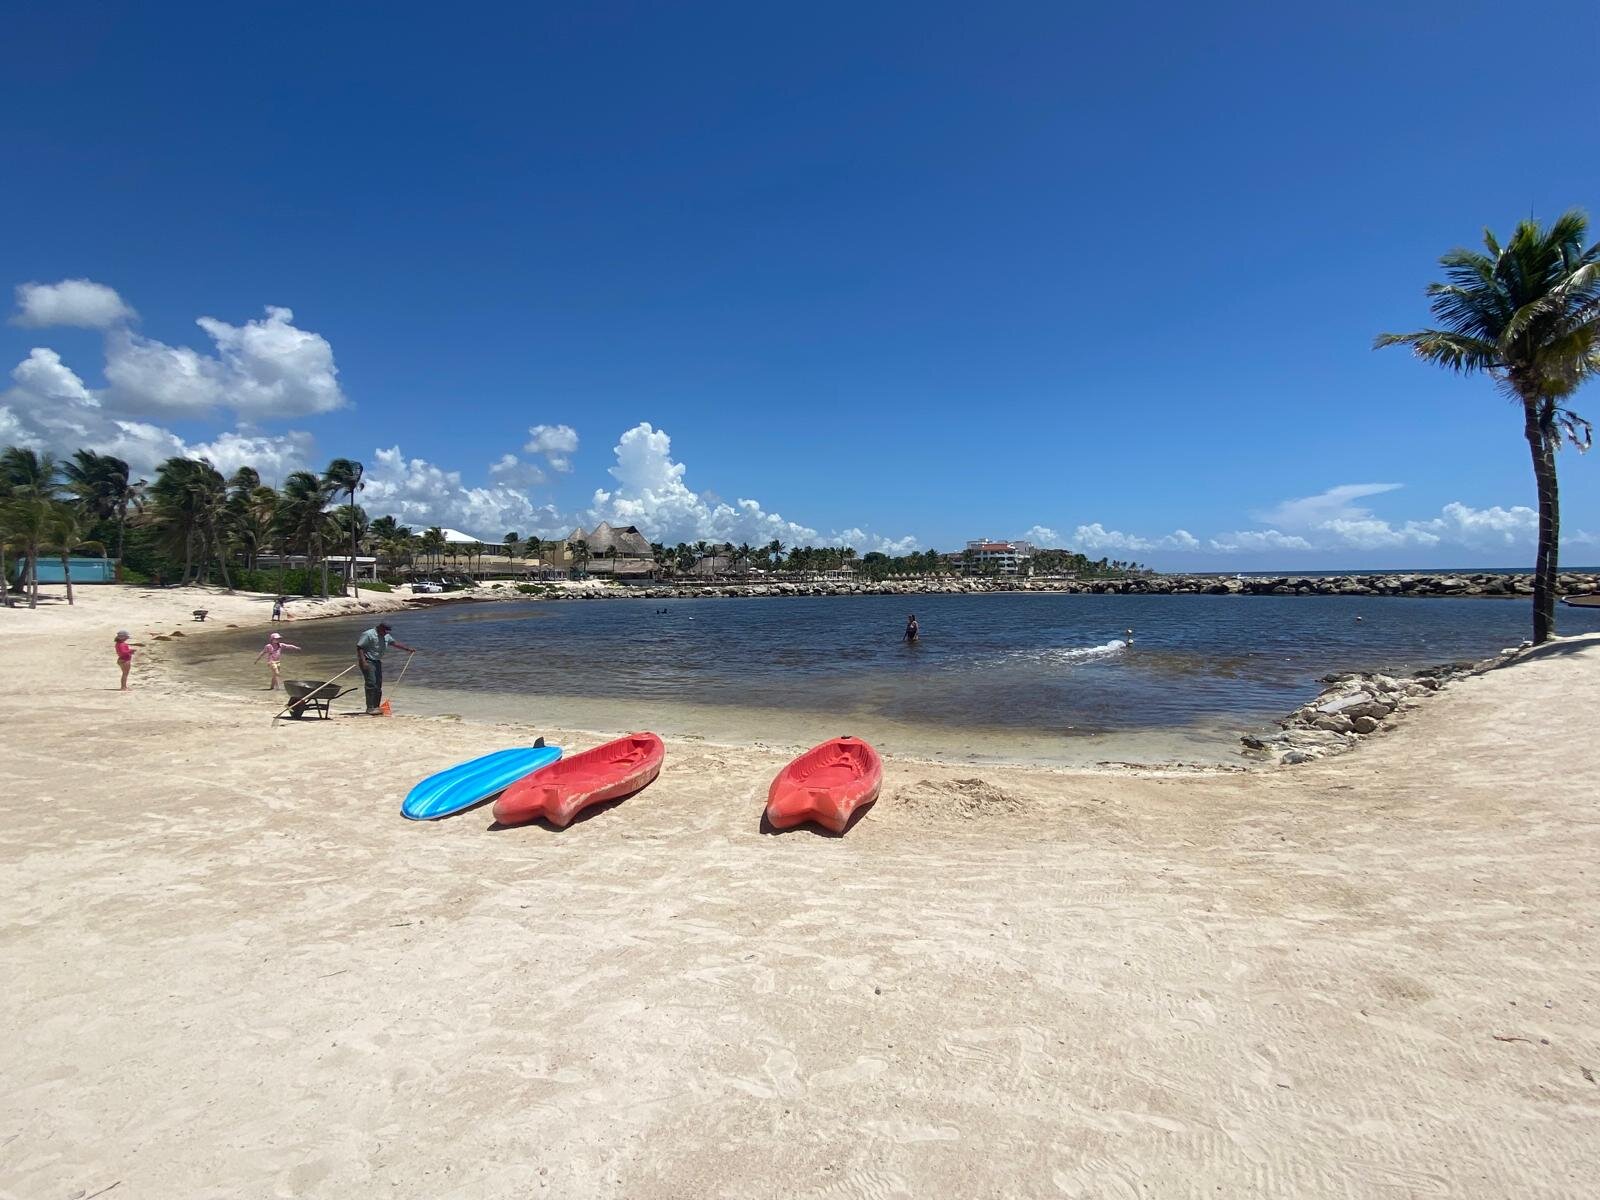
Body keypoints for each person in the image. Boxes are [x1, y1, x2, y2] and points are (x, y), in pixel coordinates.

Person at [356, 621, 418, 715]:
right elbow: (359, 647)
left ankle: (376, 707)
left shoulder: (386, 636)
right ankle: (370, 708)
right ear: (380, 628)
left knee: (378, 685)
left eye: (387, 632)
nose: (386, 633)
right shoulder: (368, 634)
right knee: (371, 683)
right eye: (385, 631)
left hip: (377, 662)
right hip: (368, 661)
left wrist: (408, 649)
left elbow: (394, 643)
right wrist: (363, 662)